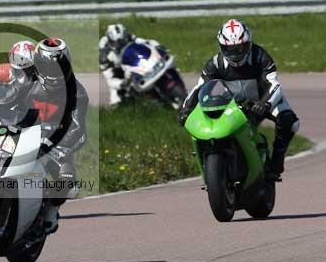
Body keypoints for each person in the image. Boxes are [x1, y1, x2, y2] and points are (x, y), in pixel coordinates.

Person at [178, 19, 300, 180]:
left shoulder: (260, 56)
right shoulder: (215, 63)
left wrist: (265, 103)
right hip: (234, 104)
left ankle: (277, 160)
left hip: (263, 100)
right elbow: (200, 87)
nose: (235, 54)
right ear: (222, 47)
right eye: (230, 49)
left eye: (240, 48)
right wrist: (186, 109)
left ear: (248, 44)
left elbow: (274, 85)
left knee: (289, 122)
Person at [22, 37, 89, 234]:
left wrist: (61, 145)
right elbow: (4, 103)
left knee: (68, 183)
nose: (53, 73)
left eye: (59, 67)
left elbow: (78, 128)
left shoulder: (77, 92)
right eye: (48, 67)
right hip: (23, 134)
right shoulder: (25, 81)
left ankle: (51, 212)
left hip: (56, 141)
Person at [99, 24, 171, 106]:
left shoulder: (130, 38)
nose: (120, 45)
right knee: (117, 103)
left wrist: (158, 46)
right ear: (110, 41)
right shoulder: (104, 56)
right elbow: (109, 79)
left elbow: (147, 42)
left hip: (134, 65)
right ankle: (116, 101)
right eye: (117, 43)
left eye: (123, 41)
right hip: (119, 73)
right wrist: (122, 83)